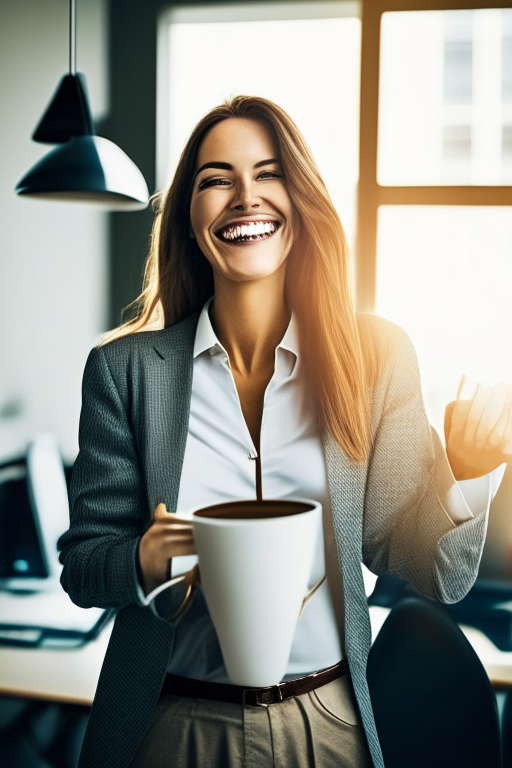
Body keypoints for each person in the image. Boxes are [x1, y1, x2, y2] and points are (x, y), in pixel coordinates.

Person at [58, 96, 512, 768]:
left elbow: (430, 570)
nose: (245, 197)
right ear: (188, 216)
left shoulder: (374, 358)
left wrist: (468, 474)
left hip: (324, 725)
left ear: (301, 203)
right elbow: (83, 567)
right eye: (217, 180)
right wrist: (143, 561)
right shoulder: (123, 372)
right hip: (171, 724)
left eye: (268, 174)